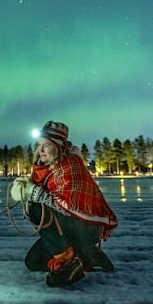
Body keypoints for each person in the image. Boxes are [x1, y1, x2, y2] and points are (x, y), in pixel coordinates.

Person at [12, 121, 118, 288]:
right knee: (32, 262)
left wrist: (36, 194)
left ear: (57, 146)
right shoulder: (47, 168)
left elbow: (69, 206)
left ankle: (68, 263)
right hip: (70, 230)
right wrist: (26, 188)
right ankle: (87, 255)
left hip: (86, 228)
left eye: (46, 145)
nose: (40, 150)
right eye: (39, 145)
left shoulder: (70, 164)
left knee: (36, 209)